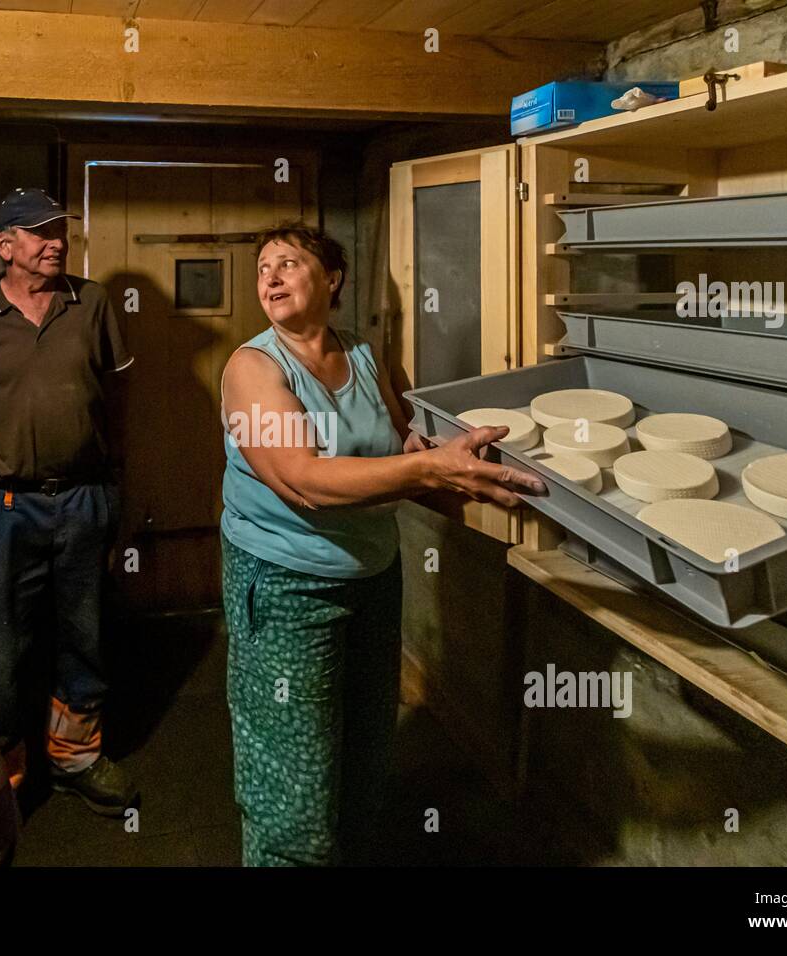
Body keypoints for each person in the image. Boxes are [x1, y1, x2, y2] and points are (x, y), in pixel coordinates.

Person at [220, 222, 546, 866]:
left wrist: (464, 470)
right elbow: (303, 480)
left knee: (364, 760)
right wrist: (430, 471)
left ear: (332, 279)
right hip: (286, 584)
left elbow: (403, 446)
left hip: (372, 573)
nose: (271, 277)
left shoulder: (367, 357)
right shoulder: (252, 369)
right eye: (263, 269)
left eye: (288, 263)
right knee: (294, 790)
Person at [0, 188, 137, 814]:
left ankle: (76, 756)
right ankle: (6, 769)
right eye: (39, 233)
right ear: (4, 245)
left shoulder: (93, 301)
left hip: (83, 498)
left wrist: (117, 485)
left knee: (85, 630)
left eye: (61, 232)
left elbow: (118, 398)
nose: (56, 243)